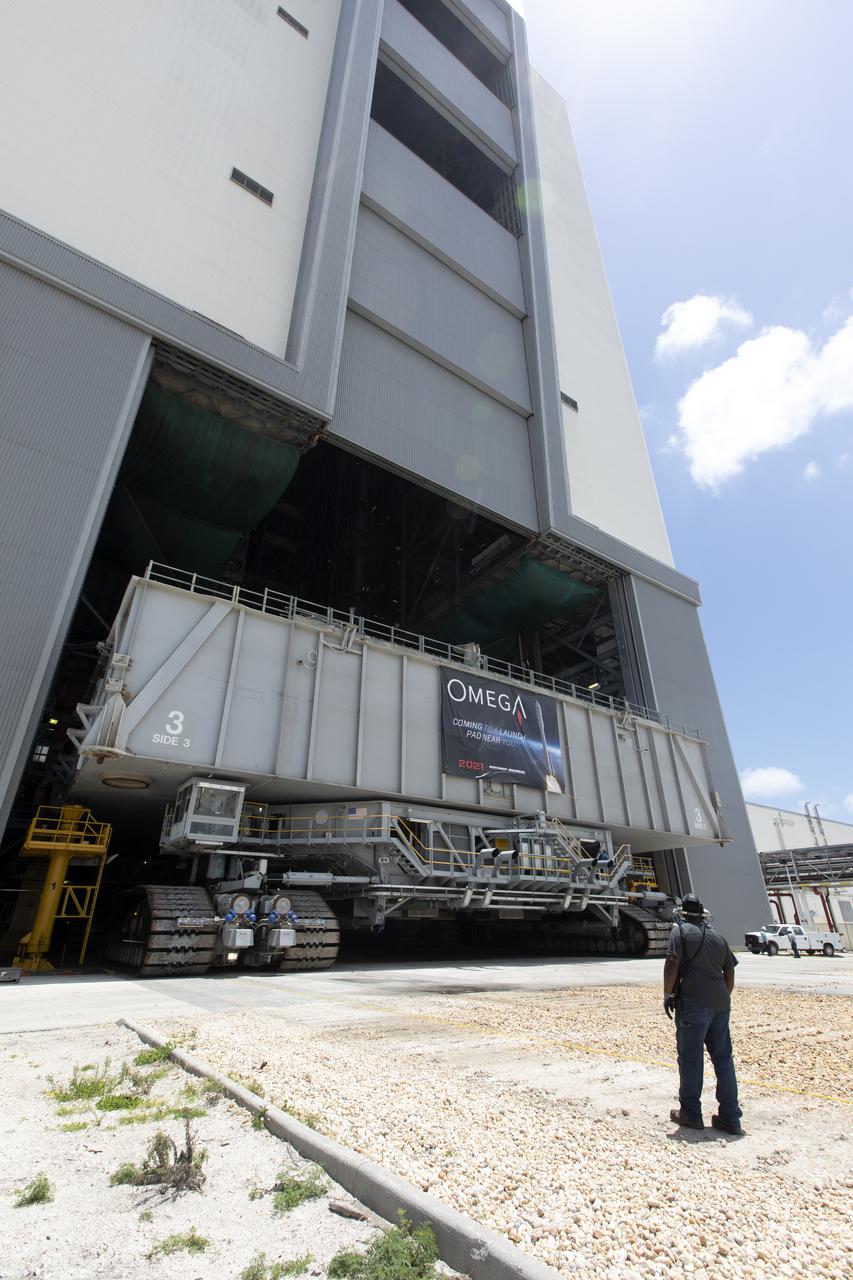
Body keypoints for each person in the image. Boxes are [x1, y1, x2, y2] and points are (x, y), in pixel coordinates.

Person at [662, 894, 744, 1135]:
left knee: (690, 1058)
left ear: (683, 913)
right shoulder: (718, 936)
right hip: (720, 1002)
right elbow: (729, 969)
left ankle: (691, 1113)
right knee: (723, 1059)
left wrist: (667, 994)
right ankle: (731, 1117)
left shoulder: (680, 931)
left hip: (693, 1002)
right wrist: (722, 996)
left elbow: (672, 962)